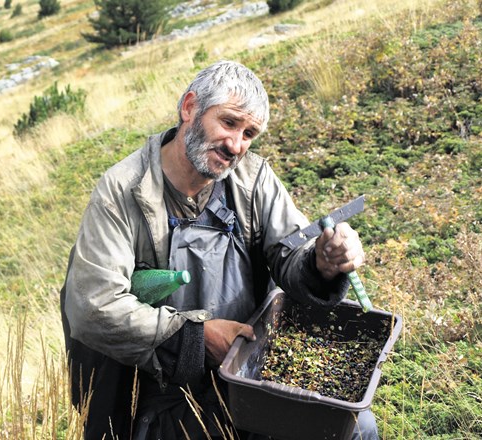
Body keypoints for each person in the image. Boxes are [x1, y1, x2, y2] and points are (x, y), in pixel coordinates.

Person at [60, 60, 378, 440]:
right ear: (190, 107)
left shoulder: (252, 179)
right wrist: (194, 338)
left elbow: (292, 252)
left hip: (250, 373)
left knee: (354, 428)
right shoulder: (123, 192)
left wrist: (322, 262)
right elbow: (94, 308)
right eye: (228, 123)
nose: (236, 145)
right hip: (160, 395)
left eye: (249, 134)